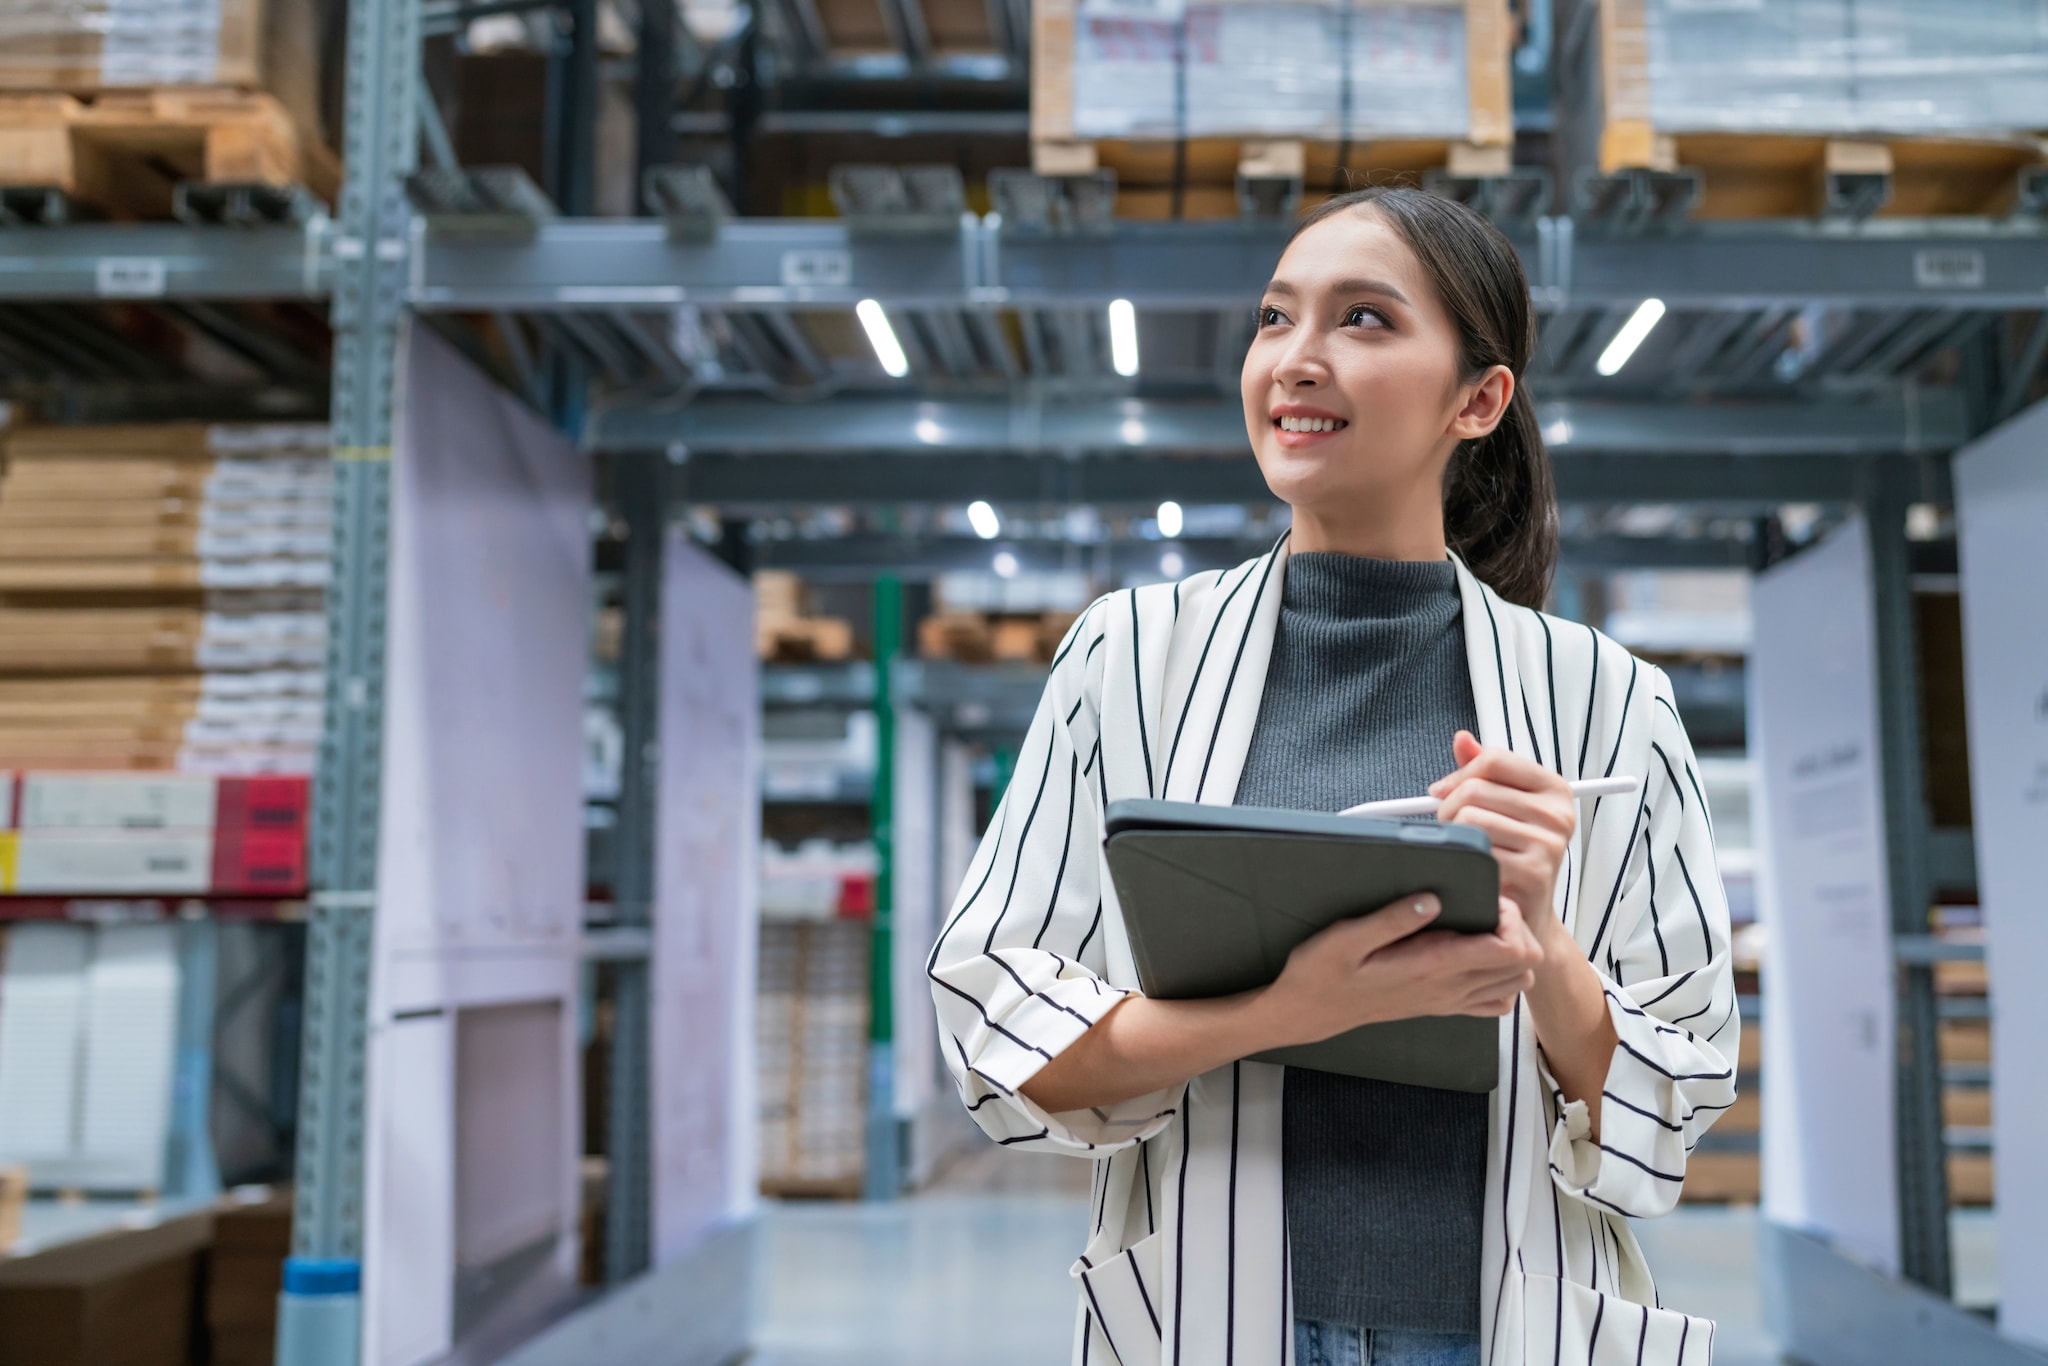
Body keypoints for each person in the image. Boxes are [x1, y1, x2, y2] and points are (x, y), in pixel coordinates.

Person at [927, 186, 1738, 1366]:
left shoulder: (1609, 703)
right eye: (1274, 319)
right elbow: (996, 1023)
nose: (1295, 361)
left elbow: (1678, 1091)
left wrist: (1544, 944)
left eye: (1362, 320)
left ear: (1478, 399)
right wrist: (1290, 1011)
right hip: (1214, 1314)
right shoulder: (1128, 659)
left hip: (1502, 1327)